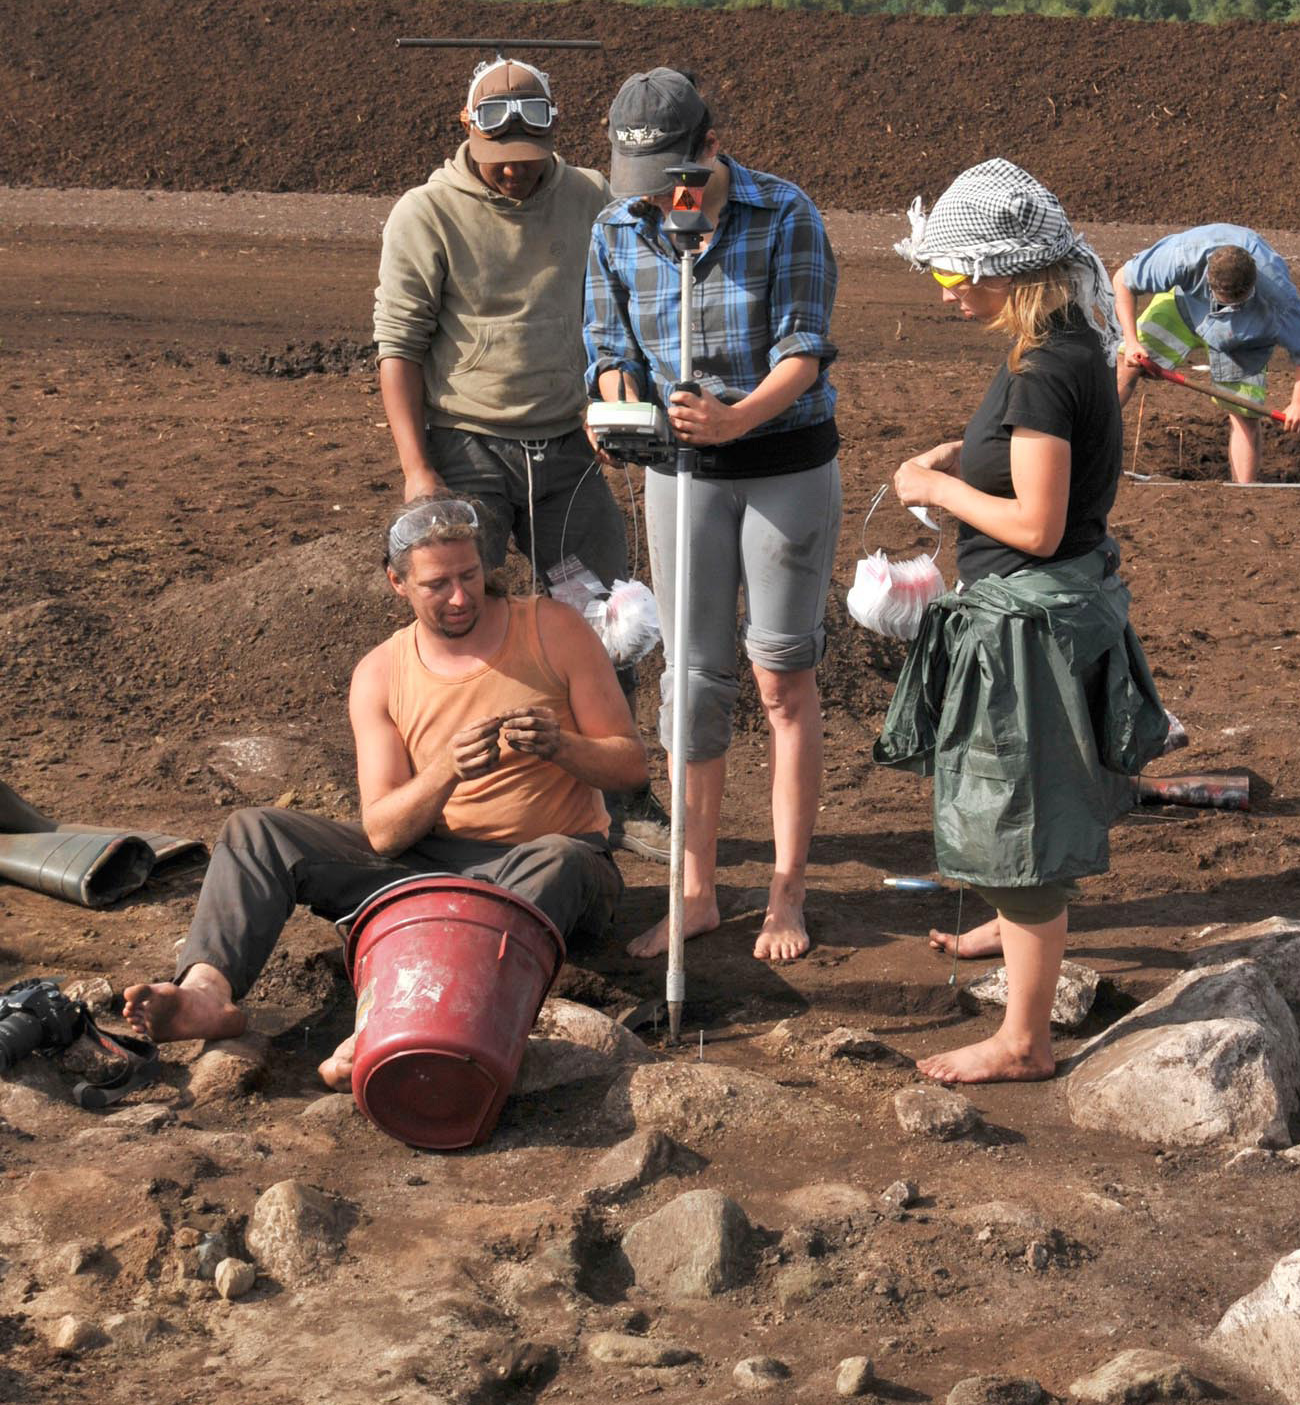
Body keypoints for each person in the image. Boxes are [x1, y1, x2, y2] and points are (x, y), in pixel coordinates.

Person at [124, 496, 644, 1087]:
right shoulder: (380, 672)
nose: (459, 596)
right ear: (397, 582)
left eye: (470, 575)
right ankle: (205, 994)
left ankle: (399, 1018)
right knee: (256, 831)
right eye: (437, 584)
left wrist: (562, 748)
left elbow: (631, 768)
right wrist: (445, 770)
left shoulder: (552, 628)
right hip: (432, 863)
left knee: (561, 858)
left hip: (554, 865)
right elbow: (385, 833)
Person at [876, 159, 1169, 1084]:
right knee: (1023, 795)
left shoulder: (1042, 368)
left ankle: (1024, 1039)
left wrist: (933, 486)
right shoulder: (1075, 341)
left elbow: (1036, 525)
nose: (944, 290)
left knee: (1018, 822)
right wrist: (965, 455)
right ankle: (1007, 931)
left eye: (952, 273)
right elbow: (1048, 474)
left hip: (1025, 627)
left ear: (1003, 270)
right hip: (1060, 604)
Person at [372, 55, 662, 852]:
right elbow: (397, 346)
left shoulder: (590, 201)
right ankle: (459, 797)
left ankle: (622, 795)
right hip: (466, 446)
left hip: (569, 444)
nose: (512, 178)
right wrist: (417, 469)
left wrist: (615, 405)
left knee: (612, 617)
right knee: (467, 618)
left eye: (527, 165)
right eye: (499, 164)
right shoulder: (424, 214)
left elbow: (625, 309)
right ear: (467, 131)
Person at [584, 68, 840, 964]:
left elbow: (803, 349)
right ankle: (694, 891)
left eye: (677, 182)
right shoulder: (617, 226)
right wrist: (616, 405)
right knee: (690, 683)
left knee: (780, 680)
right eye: (645, 187)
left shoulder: (787, 214)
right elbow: (610, 345)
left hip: (783, 463)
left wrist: (734, 419)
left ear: (712, 147)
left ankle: (785, 890)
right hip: (679, 469)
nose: (661, 203)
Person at [1113, 224, 1300, 483]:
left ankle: (1243, 494)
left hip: (1244, 337)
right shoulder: (1182, 257)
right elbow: (1122, 280)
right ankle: (1088, 455)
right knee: (1125, 366)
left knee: (1244, 413)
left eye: (1237, 300)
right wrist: (1132, 341)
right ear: (1208, 279)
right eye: (1224, 299)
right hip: (1184, 306)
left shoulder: (1278, 292)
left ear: (1253, 284)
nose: (1229, 306)